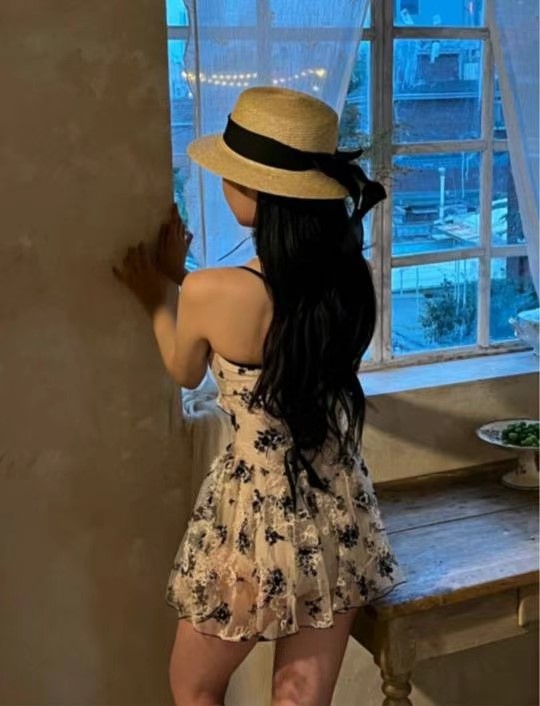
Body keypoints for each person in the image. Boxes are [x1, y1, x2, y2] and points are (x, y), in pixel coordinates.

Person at [113, 86, 405, 706]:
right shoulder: (348, 281)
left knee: (193, 687)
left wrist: (157, 298)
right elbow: (282, 322)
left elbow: (185, 370)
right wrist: (186, 283)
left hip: (254, 512)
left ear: (256, 191)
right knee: (299, 702)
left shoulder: (210, 292)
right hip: (337, 506)